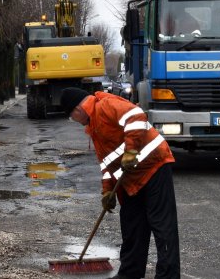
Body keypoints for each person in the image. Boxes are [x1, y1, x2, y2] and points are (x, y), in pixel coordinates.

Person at [59, 87, 180, 279]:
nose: (74, 122)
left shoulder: (105, 105)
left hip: (154, 165)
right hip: (131, 177)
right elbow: (107, 163)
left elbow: (135, 115)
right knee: (132, 224)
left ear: (77, 110)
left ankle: (168, 275)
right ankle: (130, 272)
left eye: (71, 117)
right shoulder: (93, 127)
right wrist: (107, 192)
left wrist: (131, 151)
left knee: (162, 225)